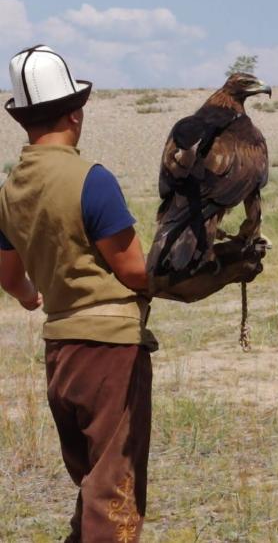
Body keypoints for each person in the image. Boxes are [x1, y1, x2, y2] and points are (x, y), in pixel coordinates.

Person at [0, 45, 157, 542]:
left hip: (60, 354)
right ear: (76, 111)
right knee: (114, 492)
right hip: (110, 350)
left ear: (24, 121)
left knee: (91, 483)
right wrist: (194, 272)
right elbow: (134, 271)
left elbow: (9, 276)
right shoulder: (91, 179)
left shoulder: (11, 190)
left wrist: (31, 298)